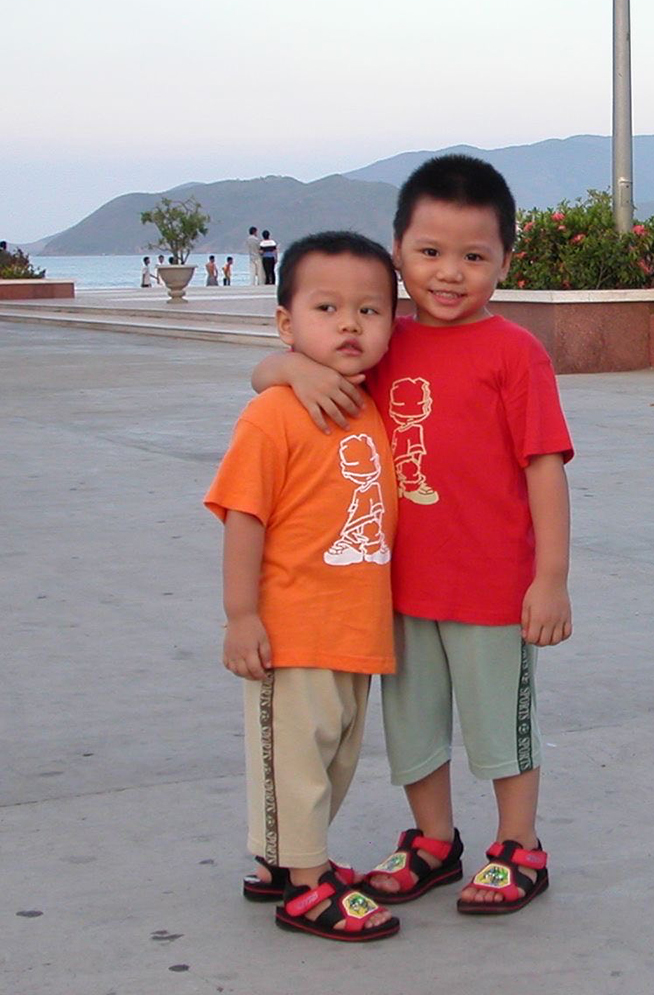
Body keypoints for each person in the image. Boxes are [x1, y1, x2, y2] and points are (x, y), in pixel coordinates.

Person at [252, 154, 573, 916]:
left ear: (505, 260)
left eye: (474, 256)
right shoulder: (382, 339)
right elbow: (276, 364)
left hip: (495, 588)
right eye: (429, 253)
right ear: (397, 252)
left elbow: (545, 468)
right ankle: (434, 842)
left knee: (502, 727)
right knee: (415, 730)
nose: (449, 273)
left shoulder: (516, 353)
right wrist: (289, 373)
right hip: (396, 588)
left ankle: (518, 846)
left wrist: (550, 579)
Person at [205, 231, 402, 943]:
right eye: (327, 308)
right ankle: (307, 886)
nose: (350, 324)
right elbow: (243, 517)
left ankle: (281, 863)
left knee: (332, 756)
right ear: (287, 324)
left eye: (369, 311)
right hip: (292, 629)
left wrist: (286, 366)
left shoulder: (368, 397)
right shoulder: (273, 415)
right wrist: (241, 616)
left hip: (356, 625)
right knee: (295, 758)